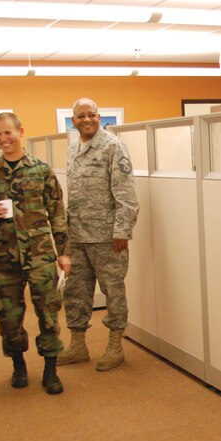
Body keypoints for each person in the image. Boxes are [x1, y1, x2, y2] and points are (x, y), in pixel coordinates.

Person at [0, 112, 71, 394]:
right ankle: (18, 366)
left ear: (20, 132)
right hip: (4, 258)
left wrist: (64, 253)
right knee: (8, 316)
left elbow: (58, 214)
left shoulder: (42, 170)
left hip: (39, 255)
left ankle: (51, 370)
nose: (3, 139)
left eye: (8, 133)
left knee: (48, 313)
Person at [56, 98, 139, 371]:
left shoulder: (113, 147)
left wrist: (122, 230)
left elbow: (126, 195)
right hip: (77, 235)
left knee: (113, 292)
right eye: (81, 116)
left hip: (107, 237)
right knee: (76, 293)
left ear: (99, 116)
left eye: (91, 115)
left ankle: (115, 345)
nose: (86, 119)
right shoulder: (73, 149)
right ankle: (78, 344)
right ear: (74, 120)